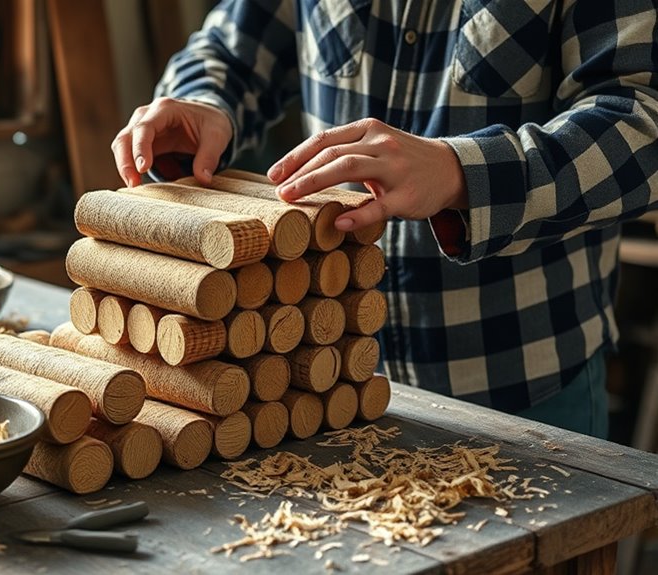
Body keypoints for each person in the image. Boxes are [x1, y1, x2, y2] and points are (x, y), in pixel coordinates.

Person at [110, 0, 658, 438]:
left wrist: (459, 172)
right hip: (320, 384)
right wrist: (201, 99)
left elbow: (642, 121)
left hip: (524, 393)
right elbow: (231, 48)